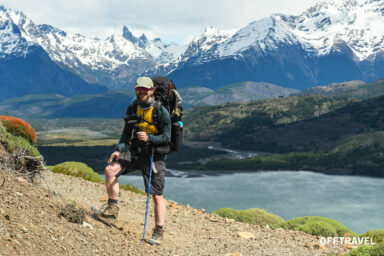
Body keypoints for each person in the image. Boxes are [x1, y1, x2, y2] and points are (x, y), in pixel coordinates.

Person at [92, 76, 171, 245]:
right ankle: (112, 210)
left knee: (157, 196)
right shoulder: (133, 106)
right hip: (134, 151)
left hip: (153, 155)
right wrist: (118, 149)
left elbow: (167, 136)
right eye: (138, 89)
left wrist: (149, 138)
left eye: (144, 89)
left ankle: (159, 231)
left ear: (151, 91)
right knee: (110, 170)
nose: (140, 92)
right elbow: (126, 132)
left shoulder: (160, 110)